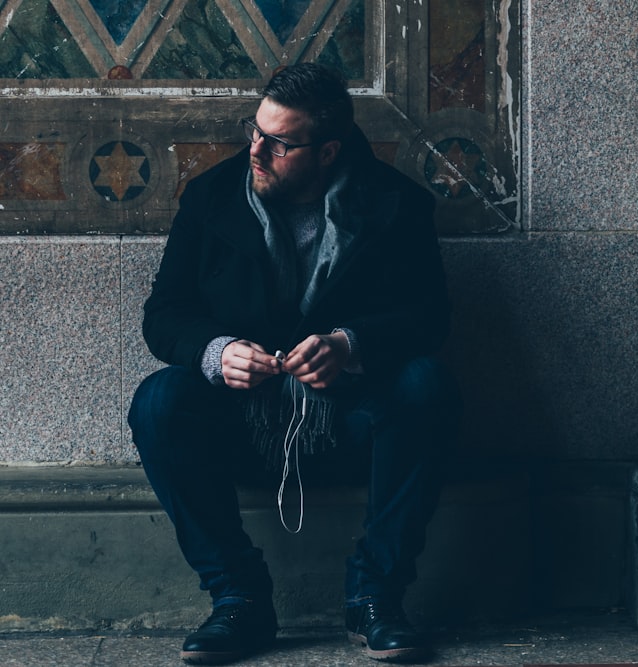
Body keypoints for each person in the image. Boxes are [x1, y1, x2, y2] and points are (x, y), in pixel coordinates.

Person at [128, 62, 460, 664]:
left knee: (426, 385)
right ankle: (239, 599)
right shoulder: (210, 197)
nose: (256, 149)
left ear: (328, 149)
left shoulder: (397, 205)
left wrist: (349, 346)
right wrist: (217, 352)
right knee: (159, 400)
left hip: (349, 420)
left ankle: (375, 596)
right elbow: (165, 314)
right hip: (241, 421)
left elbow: (429, 319)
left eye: (278, 142)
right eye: (253, 131)